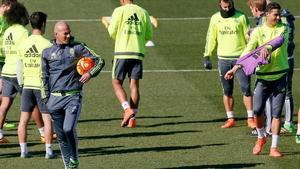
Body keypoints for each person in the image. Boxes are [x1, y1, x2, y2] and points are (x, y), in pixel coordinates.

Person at [225, 2, 289, 157]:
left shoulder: (283, 28)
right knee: (257, 111)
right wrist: (235, 68)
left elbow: (278, 41)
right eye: (275, 14)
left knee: (276, 114)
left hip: (280, 76)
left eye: (279, 14)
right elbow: (248, 51)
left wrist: (266, 48)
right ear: (267, 14)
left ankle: (274, 147)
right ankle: (261, 138)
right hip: (263, 78)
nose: (278, 17)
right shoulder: (258, 32)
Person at [41, 21, 104, 169]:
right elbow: (43, 77)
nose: (69, 35)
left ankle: (74, 158)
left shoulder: (78, 47)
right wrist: (46, 99)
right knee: (61, 137)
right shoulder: (47, 52)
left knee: (69, 129)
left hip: (73, 96)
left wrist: (90, 73)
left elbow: (99, 60)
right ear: (56, 34)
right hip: (54, 100)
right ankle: (68, 166)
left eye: (69, 32)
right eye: (65, 33)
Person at [203, 0, 255, 129]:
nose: (227, 9)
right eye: (224, 7)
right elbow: (211, 37)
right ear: (220, 5)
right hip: (223, 59)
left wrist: (250, 56)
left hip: (240, 59)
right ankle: (230, 118)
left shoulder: (241, 17)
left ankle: (250, 118)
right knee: (227, 90)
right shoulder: (215, 18)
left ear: (233, 4)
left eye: (229, 6)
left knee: (246, 89)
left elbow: (249, 37)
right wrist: (207, 55)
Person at [247, 0, 296, 136]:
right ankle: (273, 125)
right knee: (273, 97)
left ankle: (285, 124)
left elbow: (284, 38)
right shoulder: (273, 18)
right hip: (276, 62)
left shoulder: (282, 19)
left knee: (284, 93)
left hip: (283, 61)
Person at [108, 0, 153, 127]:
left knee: (116, 83)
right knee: (134, 85)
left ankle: (127, 109)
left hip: (122, 52)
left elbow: (112, 32)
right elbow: (149, 34)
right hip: (138, 53)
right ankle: (133, 118)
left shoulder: (119, 10)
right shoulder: (143, 12)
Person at [17, 11, 55, 159]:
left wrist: (21, 84)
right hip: (42, 87)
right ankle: (49, 151)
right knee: (47, 119)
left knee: (23, 120)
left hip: (27, 86)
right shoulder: (47, 44)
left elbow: (19, 67)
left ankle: (23, 151)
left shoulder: (24, 43)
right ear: (43, 24)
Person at [0, 2, 28, 143]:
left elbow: (5, 51)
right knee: (32, 103)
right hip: (19, 72)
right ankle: (44, 132)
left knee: (4, 104)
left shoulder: (8, 31)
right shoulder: (23, 32)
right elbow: (26, 51)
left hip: (6, 70)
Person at [0, 0, 17, 129]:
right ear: (5, 5)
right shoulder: (1, 20)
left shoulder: (6, 18)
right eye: (12, 7)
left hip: (4, 58)